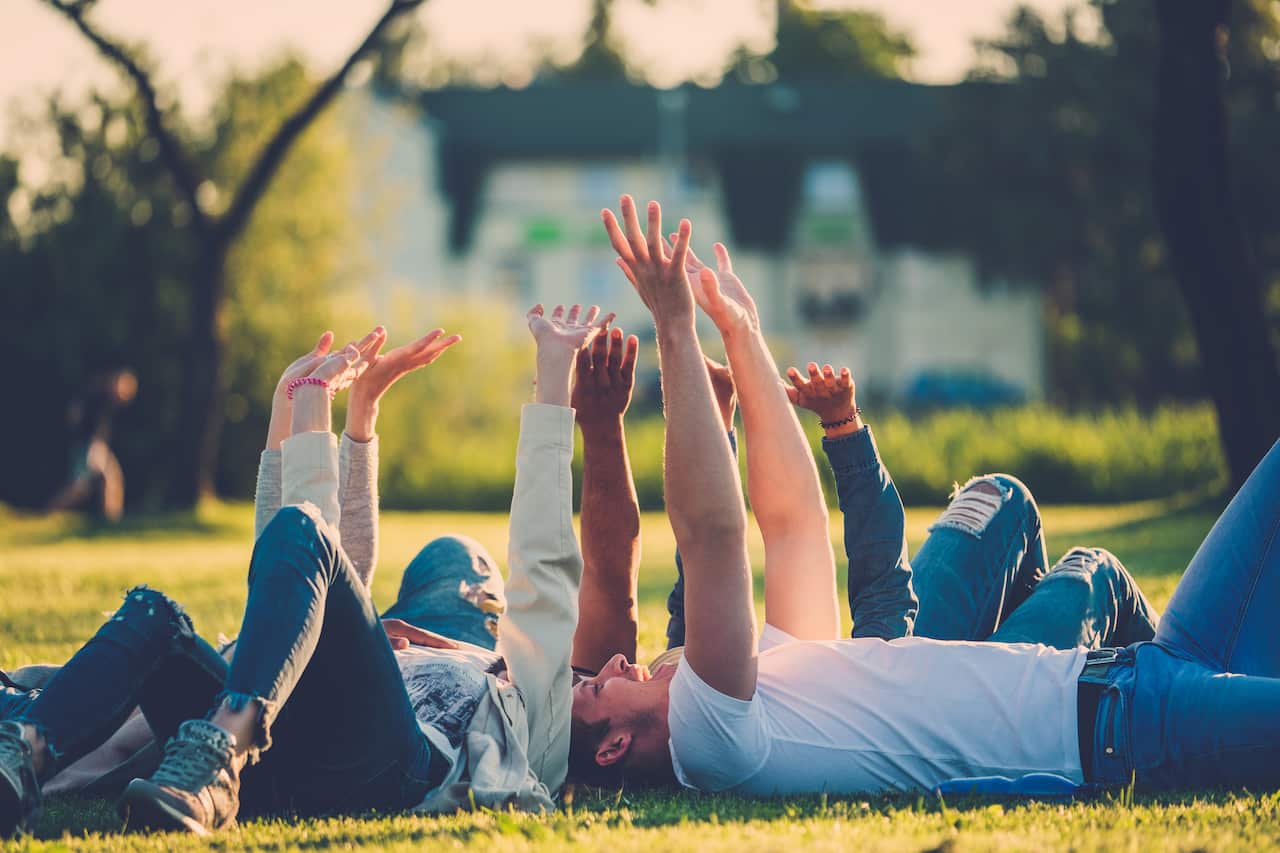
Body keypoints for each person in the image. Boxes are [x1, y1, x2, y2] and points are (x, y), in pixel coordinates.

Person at [571, 194, 1280, 796]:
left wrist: (742, 331)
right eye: (599, 689)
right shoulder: (714, 740)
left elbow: (792, 525)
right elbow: (712, 535)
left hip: (1133, 673)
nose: (611, 664)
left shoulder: (771, 687)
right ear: (613, 747)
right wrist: (672, 325)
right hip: (1134, 724)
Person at [0, 306, 603, 837]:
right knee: (152, 613)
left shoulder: (526, 707)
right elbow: (285, 581)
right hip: (275, 756)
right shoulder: (415, 645)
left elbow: (542, 569)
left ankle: (218, 754)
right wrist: (303, 411)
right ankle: (22, 756)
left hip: (383, 767)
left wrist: (555, 382)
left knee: (313, 533)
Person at [47, 369, 137, 522]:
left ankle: (111, 520)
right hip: (89, 446)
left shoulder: (107, 401)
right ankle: (49, 512)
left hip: (97, 446)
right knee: (81, 488)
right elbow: (75, 416)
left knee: (110, 480)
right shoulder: (95, 395)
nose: (125, 395)